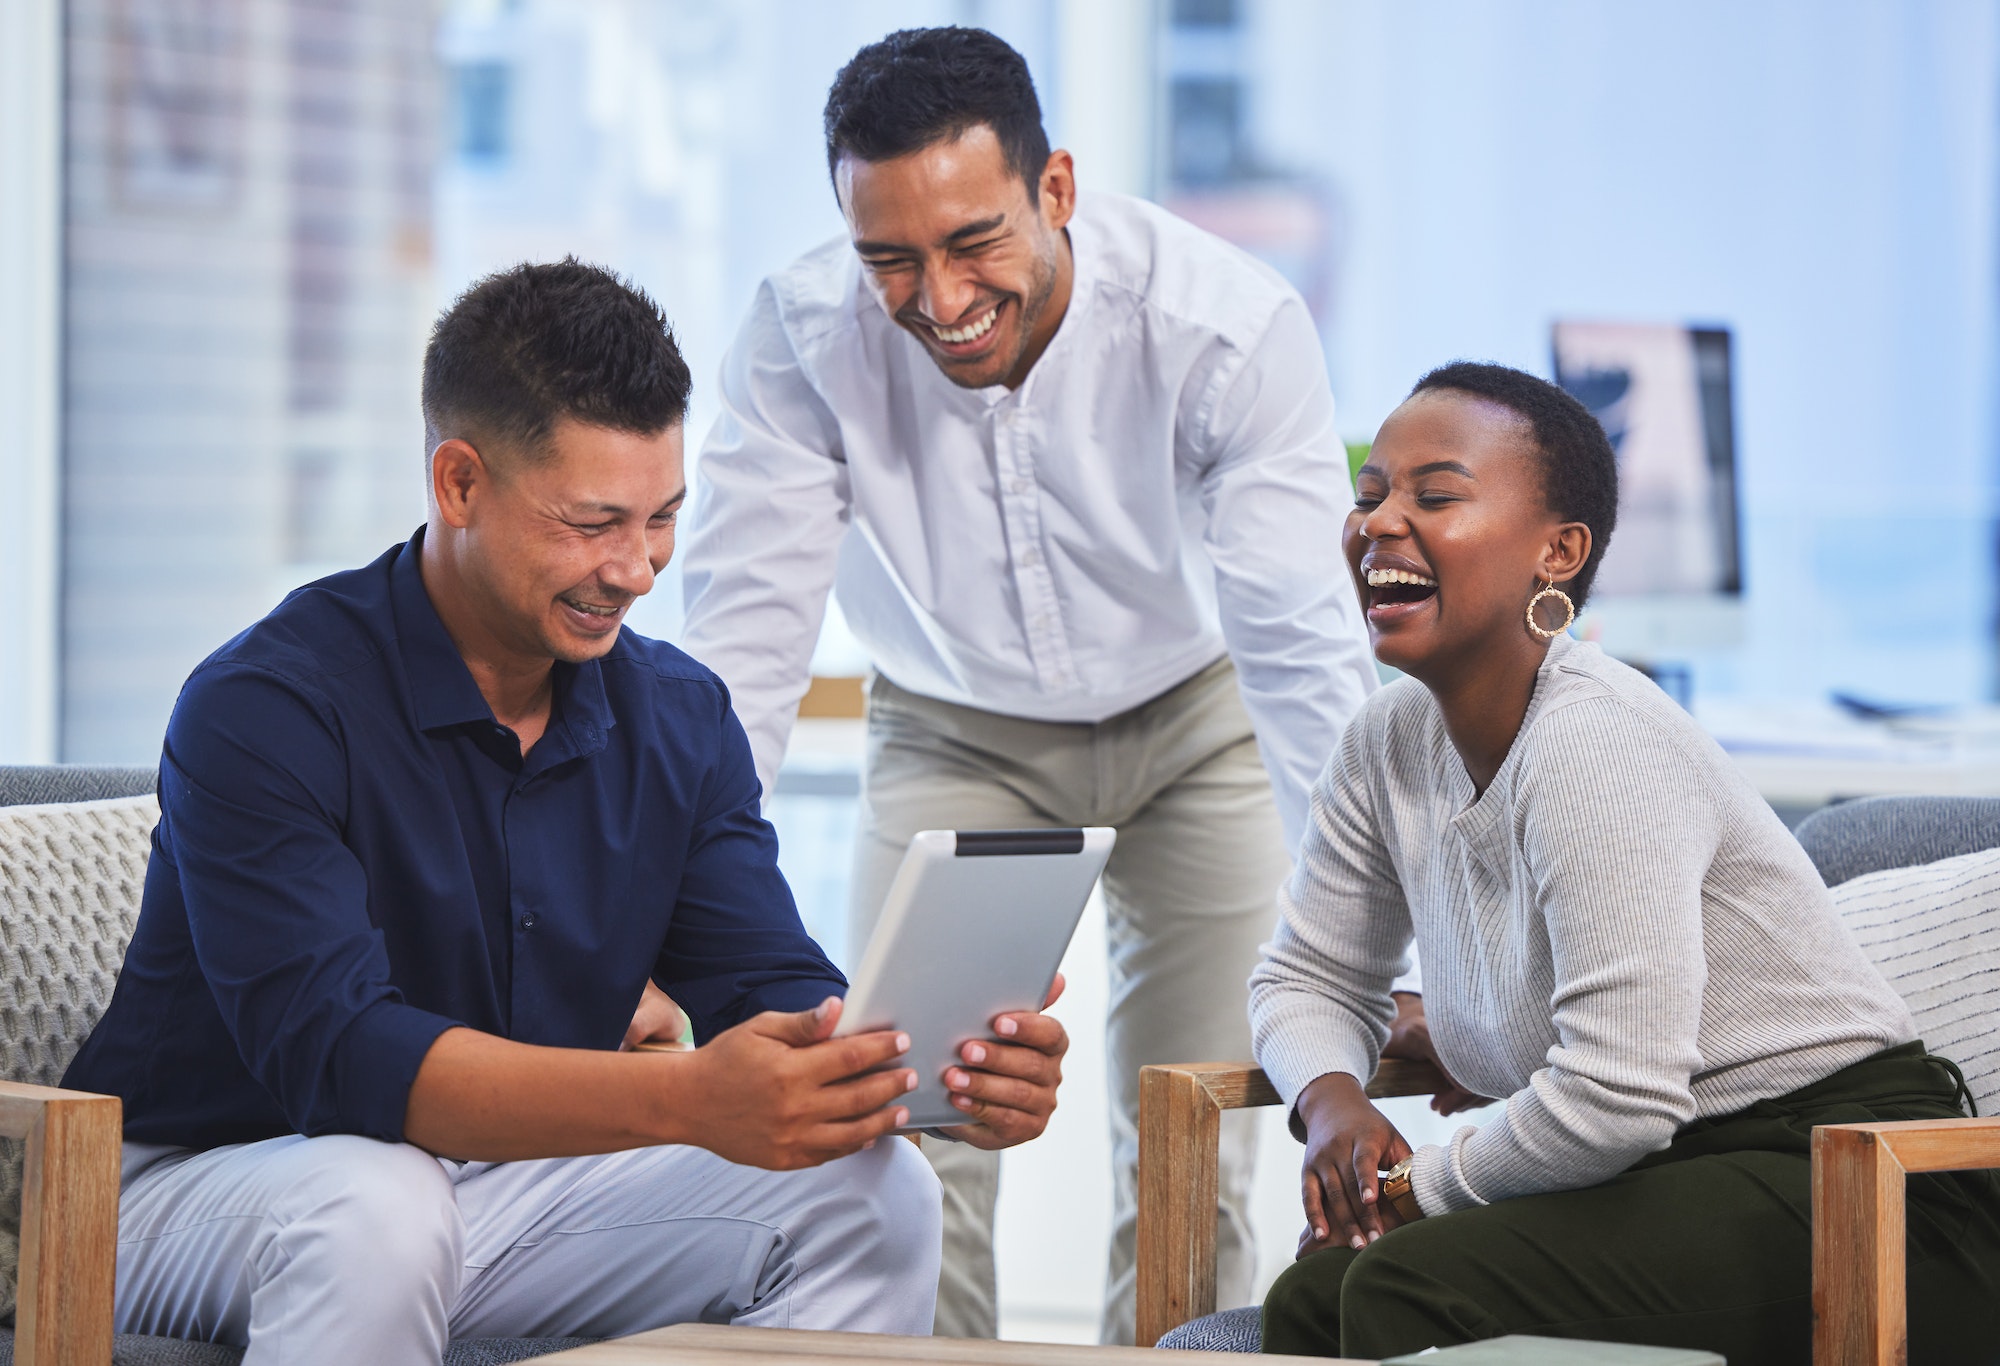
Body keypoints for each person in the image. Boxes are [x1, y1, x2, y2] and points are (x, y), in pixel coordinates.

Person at [60, 259, 1071, 1365]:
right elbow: (345, 1060)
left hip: (493, 1193)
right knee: (375, 1199)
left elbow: (769, 986)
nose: (635, 570)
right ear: (458, 484)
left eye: (662, 518)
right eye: (592, 523)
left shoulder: (678, 718)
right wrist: (687, 1097)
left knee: (874, 1189)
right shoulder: (266, 706)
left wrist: (911, 1071)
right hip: (197, 1191)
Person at [678, 25, 1381, 1343]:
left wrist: (1377, 922)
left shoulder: (1222, 327)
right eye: (889, 256)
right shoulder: (801, 335)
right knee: (912, 1115)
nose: (938, 297)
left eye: (972, 242)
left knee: (1188, 1133)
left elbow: (1300, 648)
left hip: (1199, 720)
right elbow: (740, 651)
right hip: (960, 725)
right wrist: (662, 912)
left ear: (1056, 186)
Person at [1248, 361, 2000, 1361]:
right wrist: (1331, 1105)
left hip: (1847, 1181)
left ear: (1556, 552)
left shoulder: (1592, 742)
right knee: (1313, 1297)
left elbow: (1616, 1095)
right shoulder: (1385, 741)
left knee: (1399, 1284)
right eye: (1369, 492)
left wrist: (1406, 1188)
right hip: (1656, 1171)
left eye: (1433, 495)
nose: (1380, 520)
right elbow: (1306, 972)